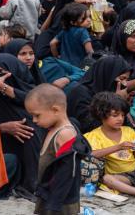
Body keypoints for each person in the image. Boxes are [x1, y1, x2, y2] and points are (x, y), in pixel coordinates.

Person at [0, 53, 46, 198]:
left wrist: (4, 87)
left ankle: (32, 182)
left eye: (1, 73)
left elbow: (35, 103)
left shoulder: (33, 91)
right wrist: (2, 128)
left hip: (31, 149)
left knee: (30, 128)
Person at [25, 84, 89, 214]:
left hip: (61, 200)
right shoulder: (51, 129)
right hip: (49, 193)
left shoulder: (64, 134)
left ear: (55, 110)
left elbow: (68, 172)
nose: (34, 120)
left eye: (37, 115)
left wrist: (54, 204)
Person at [67, 55, 133, 133]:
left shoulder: (109, 90)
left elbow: (127, 128)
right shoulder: (80, 93)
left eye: (127, 79)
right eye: (122, 79)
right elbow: (90, 127)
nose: (125, 84)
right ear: (108, 75)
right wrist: (115, 102)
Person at [50, 2, 94, 67]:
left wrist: (56, 57)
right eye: (83, 18)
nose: (89, 20)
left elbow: (52, 43)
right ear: (72, 22)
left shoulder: (65, 30)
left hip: (63, 64)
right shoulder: (83, 31)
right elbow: (89, 51)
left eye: (89, 16)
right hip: (79, 66)